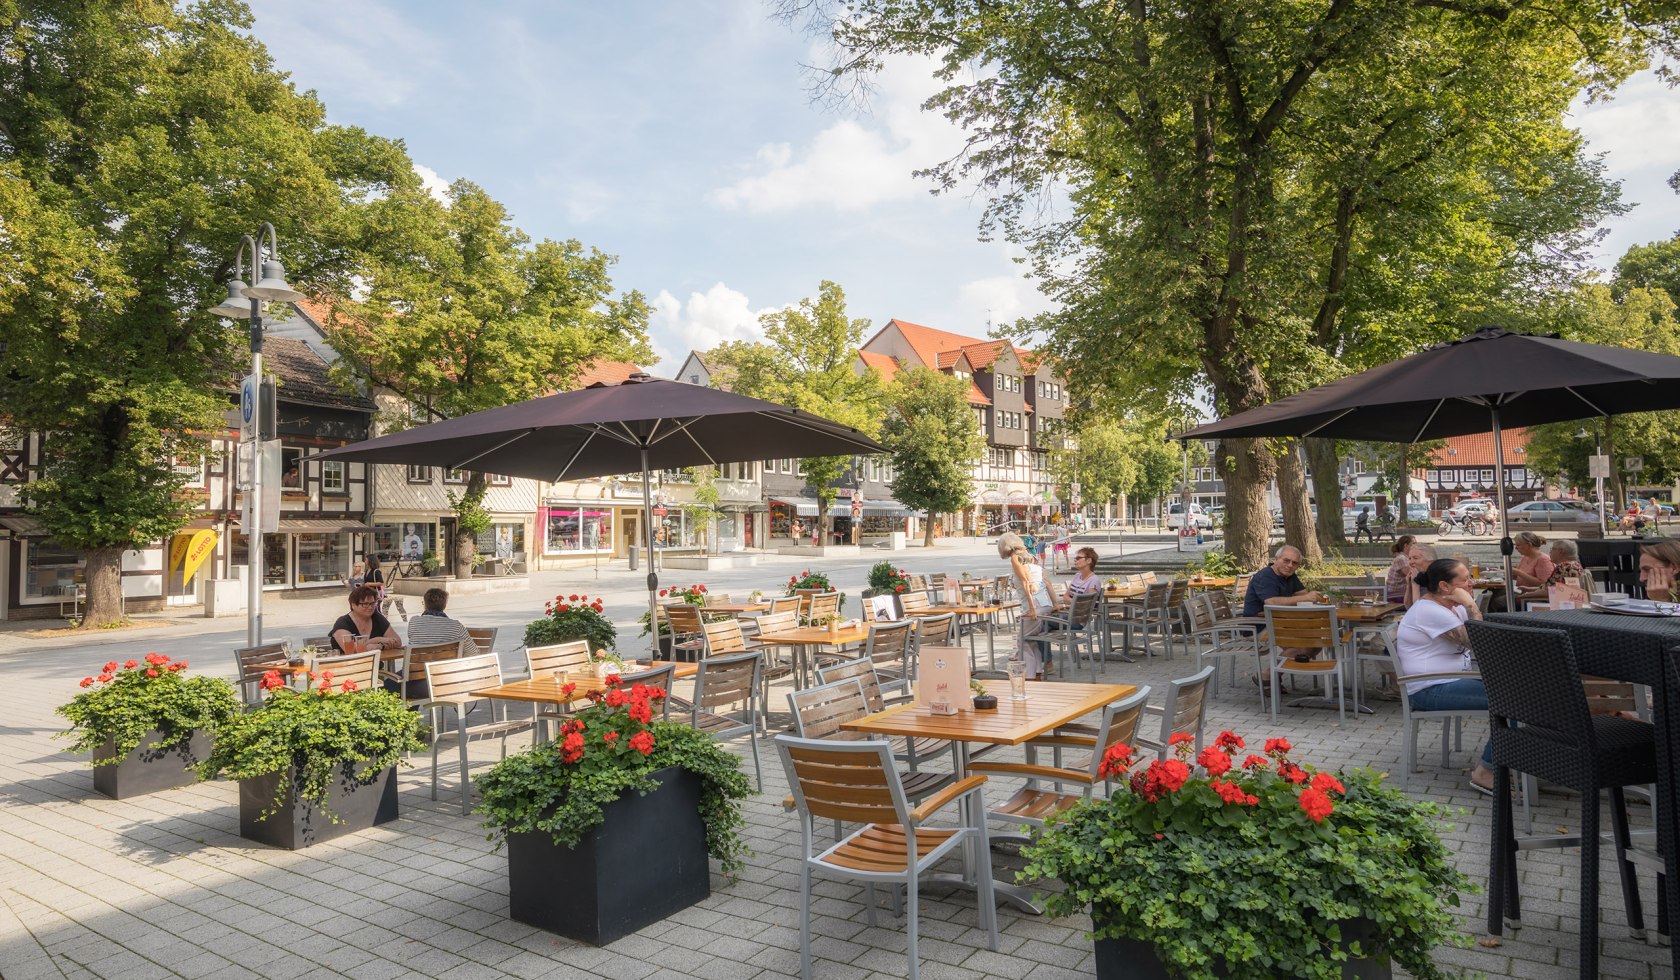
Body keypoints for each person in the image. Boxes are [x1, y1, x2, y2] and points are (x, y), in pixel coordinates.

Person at [1393, 558, 1494, 794]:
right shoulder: (1430, 611)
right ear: (1445, 587)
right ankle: (1486, 771)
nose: (1472, 583)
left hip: (1450, 680)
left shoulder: (1450, 606)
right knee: (1514, 703)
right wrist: (1472, 605)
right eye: (1465, 579)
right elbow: (1478, 643)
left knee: (1516, 694)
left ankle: (1505, 762)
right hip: (1429, 690)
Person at [999, 531, 1055, 679]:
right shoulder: (1031, 558)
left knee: (1022, 641)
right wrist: (1055, 603)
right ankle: (1037, 673)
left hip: (1035, 605)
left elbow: (1025, 582)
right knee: (1031, 641)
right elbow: (1047, 582)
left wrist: (1031, 608)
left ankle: (1029, 676)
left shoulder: (1015, 558)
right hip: (1045, 604)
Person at [1241, 545, 1324, 617]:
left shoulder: (1289, 575)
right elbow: (1271, 602)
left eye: (1294, 563)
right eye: (1286, 560)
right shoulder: (1265, 576)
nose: (1290, 565)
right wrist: (1305, 598)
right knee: (1311, 628)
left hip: (1281, 620)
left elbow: (1304, 595)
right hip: (1260, 626)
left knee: (1315, 624)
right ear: (1276, 559)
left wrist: (1312, 597)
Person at [329, 585, 402, 654]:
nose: (370, 607)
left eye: (372, 603)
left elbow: (397, 642)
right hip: (348, 665)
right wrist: (377, 640)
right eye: (365, 604)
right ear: (353, 605)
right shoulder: (343, 623)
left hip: (376, 664)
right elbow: (350, 649)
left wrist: (380, 646)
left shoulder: (377, 617)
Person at [406, 587, 474, 652]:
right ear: (444, 605)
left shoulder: (414, 622)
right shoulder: (456, 626)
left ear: (425, 604)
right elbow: (472, 652)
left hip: (417, 663)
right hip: (445, 663)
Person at [1510, 531, 1555, 596]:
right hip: (1520, 592)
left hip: (1532, 596)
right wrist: (1501, 572)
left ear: (1529, 545)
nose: (1516, 548)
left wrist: (1519, 572)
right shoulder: (1526, 557)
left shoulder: (1543, 559)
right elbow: (1517, 576)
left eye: (1518, 545)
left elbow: (1544, 584)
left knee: (1497, 602)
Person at [1402, 542, 1437, 609]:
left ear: (1430, 561)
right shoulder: (1420, 575)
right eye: (1409, 558)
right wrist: (1409, 585)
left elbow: (1418, 609)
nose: (1411, 562)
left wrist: (1415, 583)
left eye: (1415, 558)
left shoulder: (1437, 578)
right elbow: (1408, 606)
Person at [1384, 535, 1416, 604]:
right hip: (1395, 595)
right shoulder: (1401, 559)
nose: (1417, 546)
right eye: (1414, 544)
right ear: (1406, 545)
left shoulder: (1406, 558)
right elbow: (1412, 576)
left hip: (1399, 592)